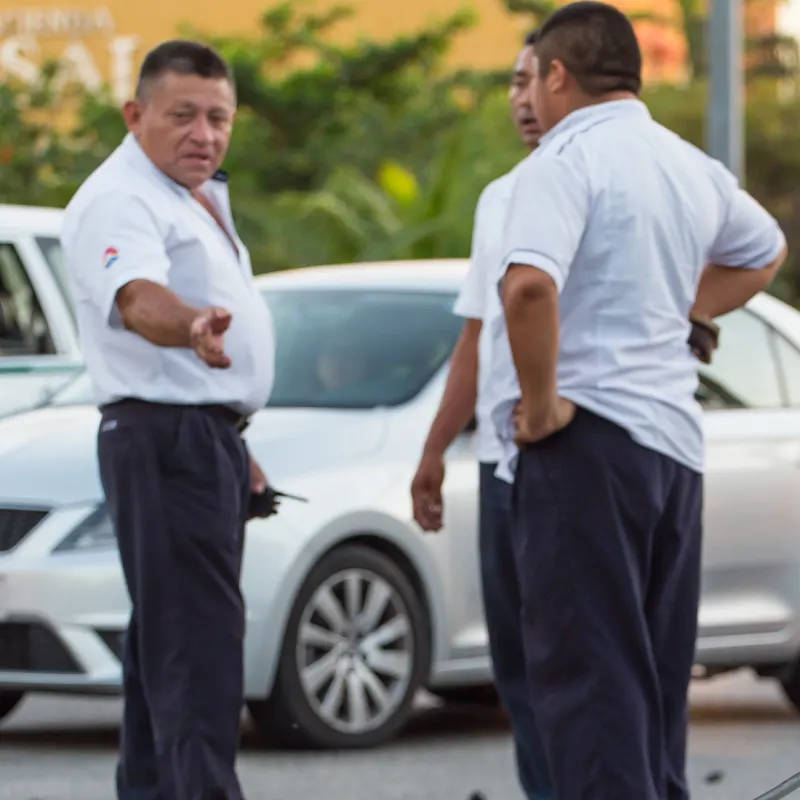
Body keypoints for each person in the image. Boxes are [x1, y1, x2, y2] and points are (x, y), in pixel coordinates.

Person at [491, 3, 788, 799]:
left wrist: (544, 403)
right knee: (652, 679)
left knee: (589, 681)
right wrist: (686, 310)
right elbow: (763, 253)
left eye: (537, 79)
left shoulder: (564, 158)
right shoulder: (687, 165)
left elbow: (526, 286)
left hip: (587, 442)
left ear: (557, 74)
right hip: (671, 448)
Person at [60, 40, 276, 800]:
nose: (205, 135)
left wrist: (233, 437)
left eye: (219, 118)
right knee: (199, 656)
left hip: (196, 434)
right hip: (165, 438)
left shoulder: (190, 194)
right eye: (183, 115)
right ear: (135, 114)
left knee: (168, 651)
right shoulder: (123, 198)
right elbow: (138, 297)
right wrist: (189, 327)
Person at [410, 31, 553, 800]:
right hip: (501, 465)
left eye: (536, 80)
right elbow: (479, 333)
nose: (522, 99)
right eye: (512, 81)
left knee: (578, 665)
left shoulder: (602, 179)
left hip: (569, 454)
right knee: (518, 668)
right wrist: (435, 451)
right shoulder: (501, 194)